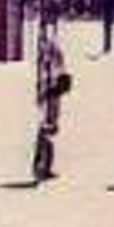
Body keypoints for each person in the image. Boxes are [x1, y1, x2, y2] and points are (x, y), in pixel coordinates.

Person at [31, 17, 72, 184]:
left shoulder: (52, 44)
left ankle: (44, 166)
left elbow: (58, 65)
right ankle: (41, 165)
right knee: (46, 126)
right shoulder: (46, 45)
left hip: (52, 87)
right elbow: (45, 69)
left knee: (50, 126)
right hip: (49, 88)